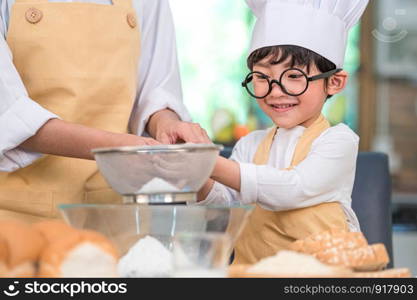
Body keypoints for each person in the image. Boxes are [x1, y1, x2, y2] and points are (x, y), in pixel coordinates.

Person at [0, 0, 209, 222]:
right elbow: (9, 115)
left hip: (114, 216)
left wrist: (167, 125)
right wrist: (117, 148)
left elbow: (156, 91)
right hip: (17, 219)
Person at [197, 0, 369, 265]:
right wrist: (196, 172)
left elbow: (292, 189)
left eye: (293, 76)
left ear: (334, 82)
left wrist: (209, 163)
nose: (276, 91)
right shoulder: (249, 145)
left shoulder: (339, 142)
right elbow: (222, 209)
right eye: (262, 77)